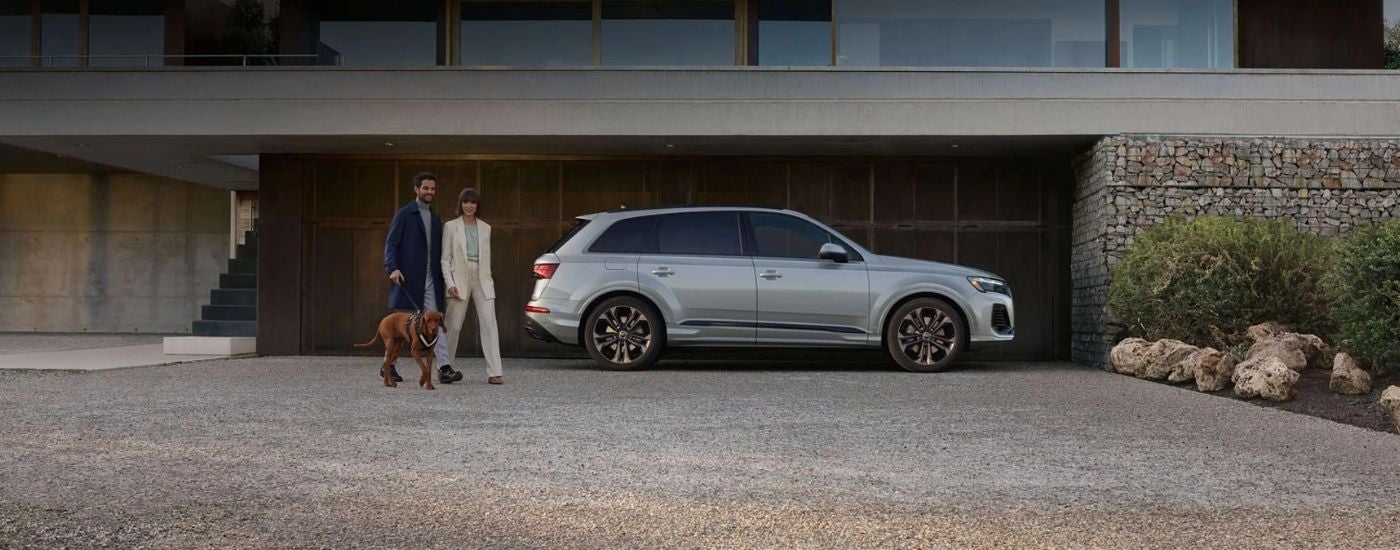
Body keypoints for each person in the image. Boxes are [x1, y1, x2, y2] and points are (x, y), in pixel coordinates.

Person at [383, 172, 463, 384]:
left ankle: (444, 367)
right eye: (426, 188)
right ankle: (389, 366)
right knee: (401, 328)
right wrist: (392, 267)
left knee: (435, 323)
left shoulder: (436, 219)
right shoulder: (404, 214)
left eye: (433, 189)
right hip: (408, 280)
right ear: (416, 189)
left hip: (431, 281)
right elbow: (391, 243)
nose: (430, 192)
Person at [441, 188, 504, 384]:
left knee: (489, 324)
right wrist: (449, 283)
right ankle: (444, 367)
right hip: (458, 277)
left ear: (478, 205)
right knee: (454, 324)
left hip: (482, 278)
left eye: (473, 202)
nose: (469, 206)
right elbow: (445, 259)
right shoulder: (451, 226)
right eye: (465, 202)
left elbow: (487, 258)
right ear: (460, 204)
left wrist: (489, 280)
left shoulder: (486, 228)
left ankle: (495, 372)